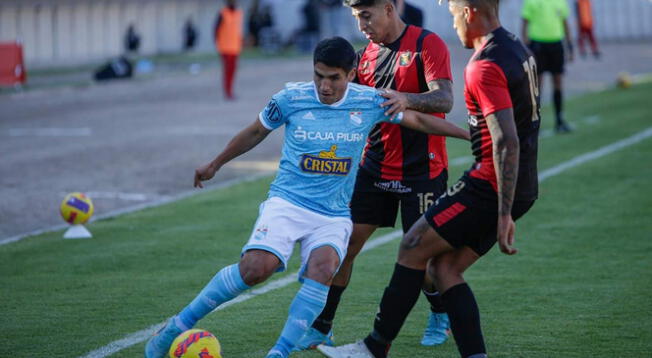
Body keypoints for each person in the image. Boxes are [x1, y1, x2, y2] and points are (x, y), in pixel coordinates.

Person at [144, 36, 469, 358]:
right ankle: (177, 325)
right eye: (319, 76)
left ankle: (280, 352)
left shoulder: (370, 101)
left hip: (333, 213)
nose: (324, 86)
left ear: (351, 74)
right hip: (288, 202)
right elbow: (256, 130)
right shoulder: (290, 98)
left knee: (324, 267)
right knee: (257, 268)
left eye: (334, 78)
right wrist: (215, 163)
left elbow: (419, 120)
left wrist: (470, 134)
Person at [318, 0, 540, 357]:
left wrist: (503, 211)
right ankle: (325, 327)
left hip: (454, 176)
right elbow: (381, 113)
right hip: (382, 167)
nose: (452, 23)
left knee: (418, 252)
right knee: (431, 264)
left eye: (453, 13)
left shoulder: (463, 57)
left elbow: (492, 131)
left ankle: (386, 341)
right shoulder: (516, 48)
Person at [296, 0, 455, 350]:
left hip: (423, 171)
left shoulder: (426, 44)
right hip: (374, 168)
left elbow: (445, 100)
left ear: (388, 8)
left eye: (366, 16)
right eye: (356, 17)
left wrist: (406, 99)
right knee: (344, 246)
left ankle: (440, 313)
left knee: (425, 261)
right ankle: (323, 325)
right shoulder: (363, 57)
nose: (361, 25)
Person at [521, 0, 573, 133]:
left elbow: (565, 23)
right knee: (538, 85)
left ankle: (559, 120)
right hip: (538, 45)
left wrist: (570, 46)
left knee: (558, 82)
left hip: (556, 44)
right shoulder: (531, 2)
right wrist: (525, 48)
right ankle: (534, 123)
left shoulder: (561, 2)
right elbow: (525, 24)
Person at [215, 0, 243, 100]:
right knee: (227, 71)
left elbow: (238, 30)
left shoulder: (239, 13)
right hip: (225, 48)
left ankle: (230, 90)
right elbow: (215, 30)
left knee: (232, 71)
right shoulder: (222, 13)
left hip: (235, 47)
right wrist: (217, 44)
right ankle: (228, 92)